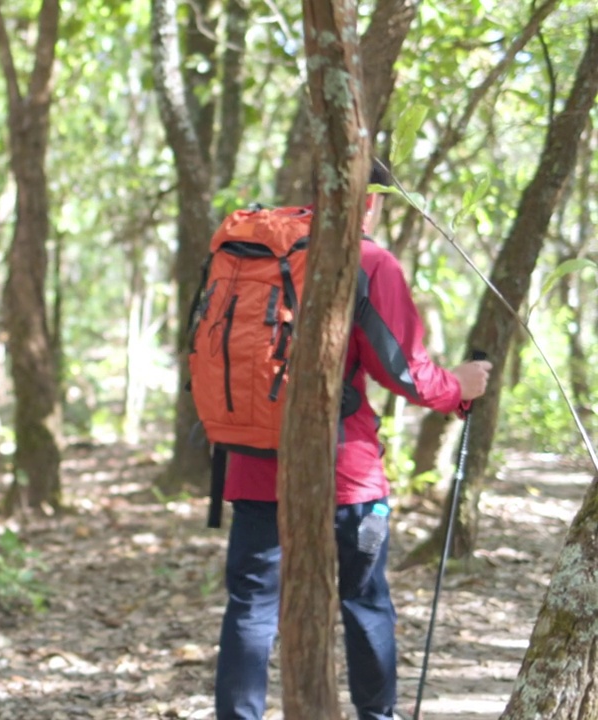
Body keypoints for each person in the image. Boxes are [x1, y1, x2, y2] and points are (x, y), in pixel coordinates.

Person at [213, 159, 493, 720]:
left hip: (252, 461)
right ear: (373, 200)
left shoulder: (250, 255)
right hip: (345, 474)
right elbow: (405, 372)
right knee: (365, 599)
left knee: (251, 604)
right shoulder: (367, 260)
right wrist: (460, 387)